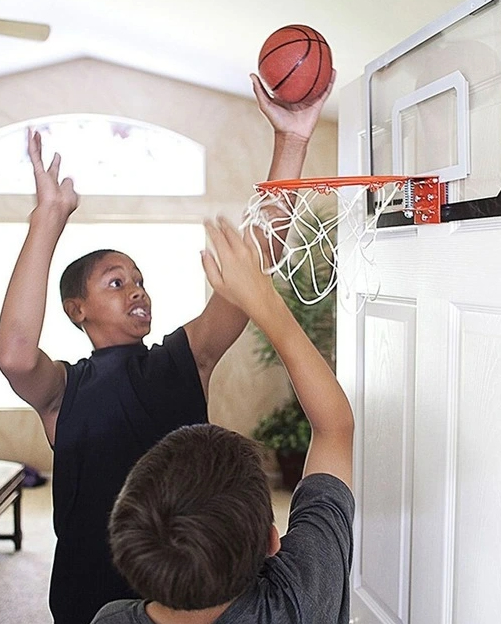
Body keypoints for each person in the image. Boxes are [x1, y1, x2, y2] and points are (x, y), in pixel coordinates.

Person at [0, 73, 335, 624]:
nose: (136, 289)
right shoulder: (63, 390)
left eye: (139, 279)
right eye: (115, 281)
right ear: (75, 309)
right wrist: (48, 219)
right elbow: (13, 355)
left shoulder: (183, 358)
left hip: (195, 593)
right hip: (91, 599)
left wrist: (290, 143)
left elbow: (252, 268)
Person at [90, 216, 355, 624]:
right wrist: (264, 301)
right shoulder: (297, 599)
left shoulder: (111, 620)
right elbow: (334, 428)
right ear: (272, 540)